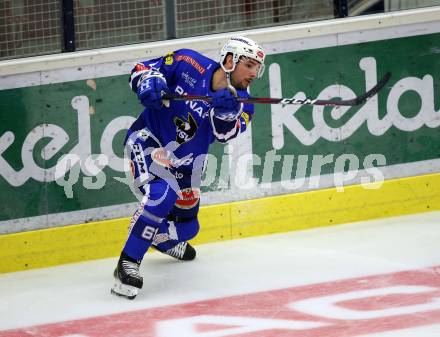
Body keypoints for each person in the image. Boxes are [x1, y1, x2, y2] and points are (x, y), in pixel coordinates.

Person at [111, 36, 266, 299]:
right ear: (230, 60)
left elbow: (224, 135)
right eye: (249, 65)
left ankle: (157, 236)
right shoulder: (187, 62)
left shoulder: (244, 103)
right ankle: (127, 263)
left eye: (257, 68)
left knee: (188, 229)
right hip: (150, 140)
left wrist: (226, 114)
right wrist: (150, 83)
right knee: (162, 194)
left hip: (185, 164)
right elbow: (141, 69)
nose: (254, 73)